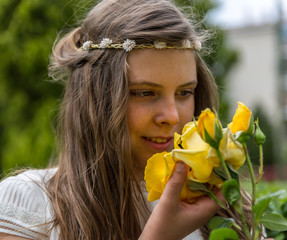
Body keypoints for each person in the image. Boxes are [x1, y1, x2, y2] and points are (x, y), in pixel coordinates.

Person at [0, 0, 257, 239]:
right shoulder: (28, 206)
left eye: (184, 92)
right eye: (145, 93)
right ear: (94, 98)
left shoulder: (227, 205)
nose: (172, 116)